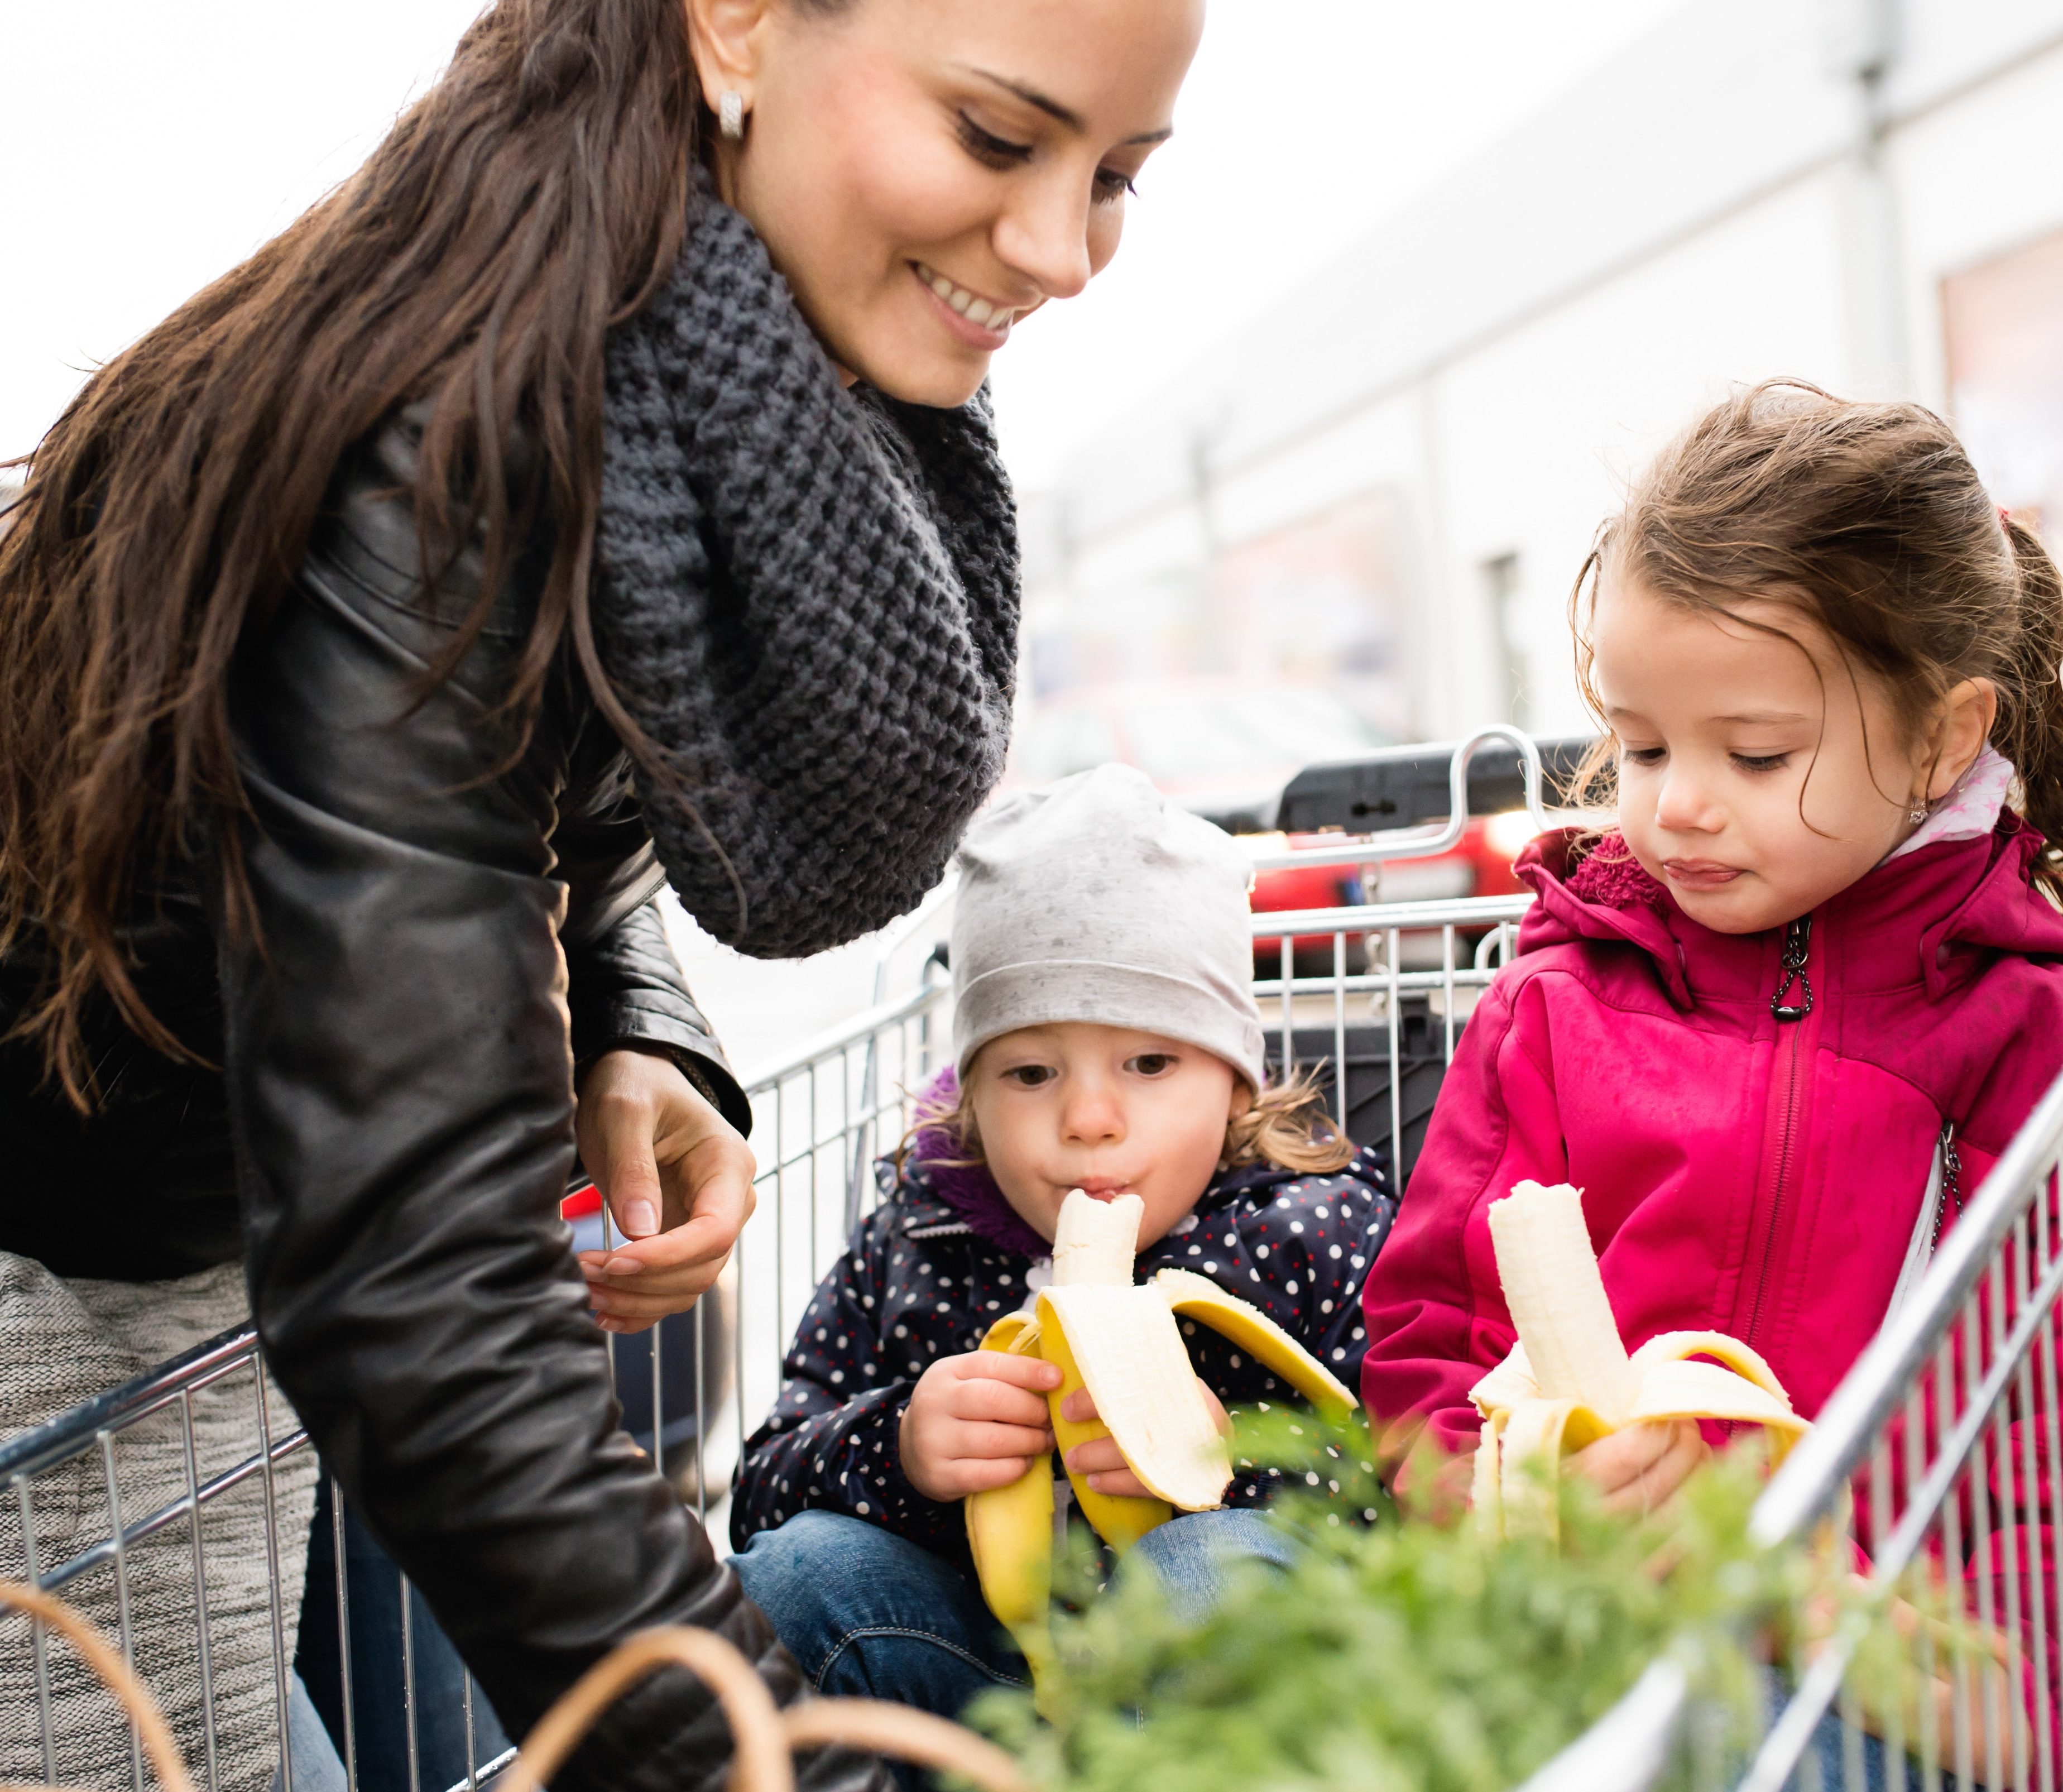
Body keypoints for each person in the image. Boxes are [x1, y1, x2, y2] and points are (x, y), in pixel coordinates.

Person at [0, 2, 1202, 1788]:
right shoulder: (436, 456)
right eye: (996, 137)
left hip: (243, 1241)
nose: (1061, 250)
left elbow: (537, 785)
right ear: (736, 27)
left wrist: (626, 1016)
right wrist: (799, 1767)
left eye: (1115, 176)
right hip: (71, 1285)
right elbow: (428, 1317)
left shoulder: (661, 362)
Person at [1359, 380, 2063, 1785]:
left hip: (1861, 1675)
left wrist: (1861, 1614)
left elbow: (2033, 1437)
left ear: (1942, 737)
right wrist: (1514, 1500)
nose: (1676, 802)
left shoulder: (2020, 1033)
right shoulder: (1557, 999)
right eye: (1641, 745)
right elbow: (1429, 1334)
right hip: (1559, 1640)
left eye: (1754, 754)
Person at [728, 765, 1395, 1731]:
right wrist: (900, 1447)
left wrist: (1235, 1469)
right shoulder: (916, 1245)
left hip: (1226, 1696)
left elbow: (1414, 1495)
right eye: (1032, 1071)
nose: (1089, 1117)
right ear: (970, 1096)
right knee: (792, 1575)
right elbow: (759, 1490)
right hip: (979, 1682)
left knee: (1204, 1571)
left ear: (1236, 1083)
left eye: (1150, 1061)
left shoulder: (1310, 1234)